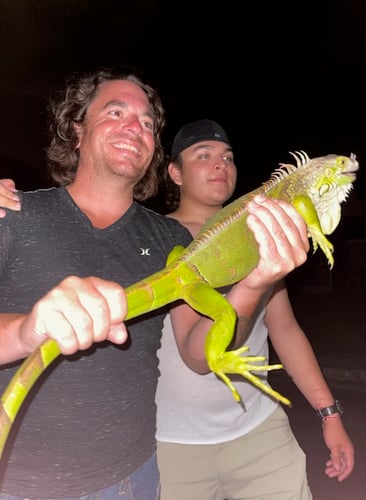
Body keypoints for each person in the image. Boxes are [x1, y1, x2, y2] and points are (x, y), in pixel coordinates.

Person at [0, 70, 310, 500]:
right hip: (18, 485)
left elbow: (198, 354)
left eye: (148, 123)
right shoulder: (13, 213)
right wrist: (25, 331)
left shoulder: (171, 241)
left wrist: (258, 281)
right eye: (116, 112)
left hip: (135, 479)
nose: (136, 127)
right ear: (76, 129)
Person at [154, 119, 355, 499]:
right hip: (176, 446)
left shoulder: (257, 229)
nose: (221, 164)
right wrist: (253, 282)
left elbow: (285, 330)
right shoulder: (156, 237)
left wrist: (330, 414)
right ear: (175, 172)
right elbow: (197, 356)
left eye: (228, 156)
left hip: (261, 432)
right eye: (204, 155)